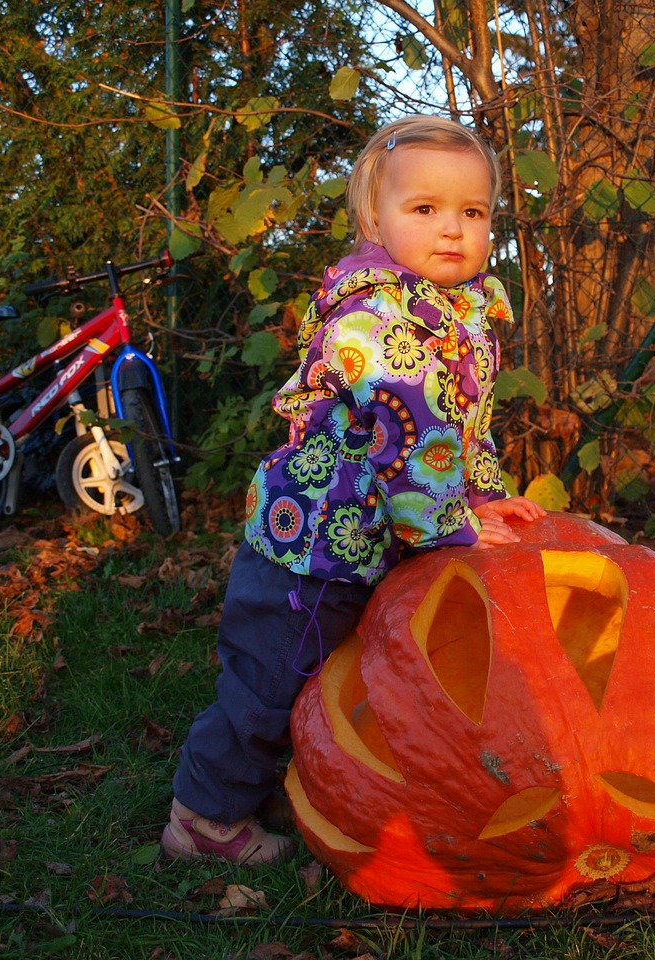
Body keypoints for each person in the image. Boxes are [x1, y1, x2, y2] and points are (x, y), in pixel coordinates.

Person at [161, 115, 545, 865]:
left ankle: (269, 780)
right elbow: (410, 438)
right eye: (425, 209)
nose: (453, 230)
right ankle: (202, 818)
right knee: (270, 682)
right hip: (313, 548)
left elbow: (467, 429)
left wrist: (484, 493)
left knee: (331, 675)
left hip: (365, 542)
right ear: (375, 218)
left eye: (473, 212)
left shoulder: (464, 319)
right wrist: (449, 526)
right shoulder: (375, 318)